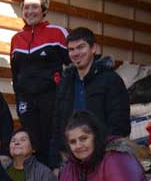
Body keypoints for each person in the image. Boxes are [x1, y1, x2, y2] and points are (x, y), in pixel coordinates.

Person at [49, 27, 130, 170]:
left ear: (93, 48)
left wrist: (105, 155)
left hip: (103, 159)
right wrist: (56, 161)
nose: (75, 53)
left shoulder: (111, 80)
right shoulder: (65, 82)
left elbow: (119, 125)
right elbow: (57, 123)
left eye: (81, 47)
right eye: (71, 49)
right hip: (71, 159)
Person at [10, 0, 70, 165]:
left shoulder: (57, 32)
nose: (30, 11)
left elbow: (74, 66)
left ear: (44, 9)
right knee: (33, 146)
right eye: (26, 7)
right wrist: (19, 98)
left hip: (52, 100)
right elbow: (16, 74)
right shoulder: (16, 39)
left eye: (34, 6)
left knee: (52, 145)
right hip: (27, 102)